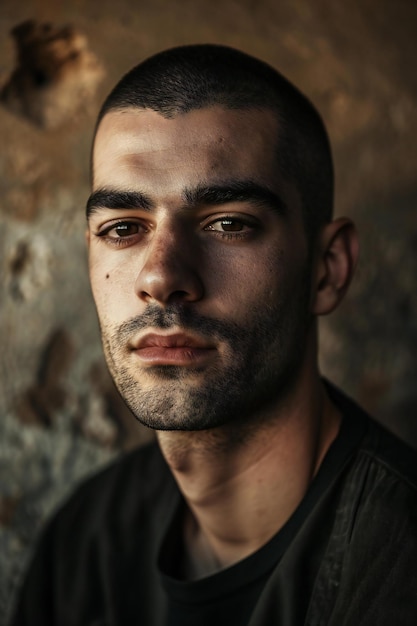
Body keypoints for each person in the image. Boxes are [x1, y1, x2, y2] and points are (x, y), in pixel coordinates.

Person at [10, 44, 417, 626]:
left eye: (228, 223)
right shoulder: (86, 543)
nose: (161, 277)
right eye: (123, 228)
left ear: (327, 269)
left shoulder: (394, 565)